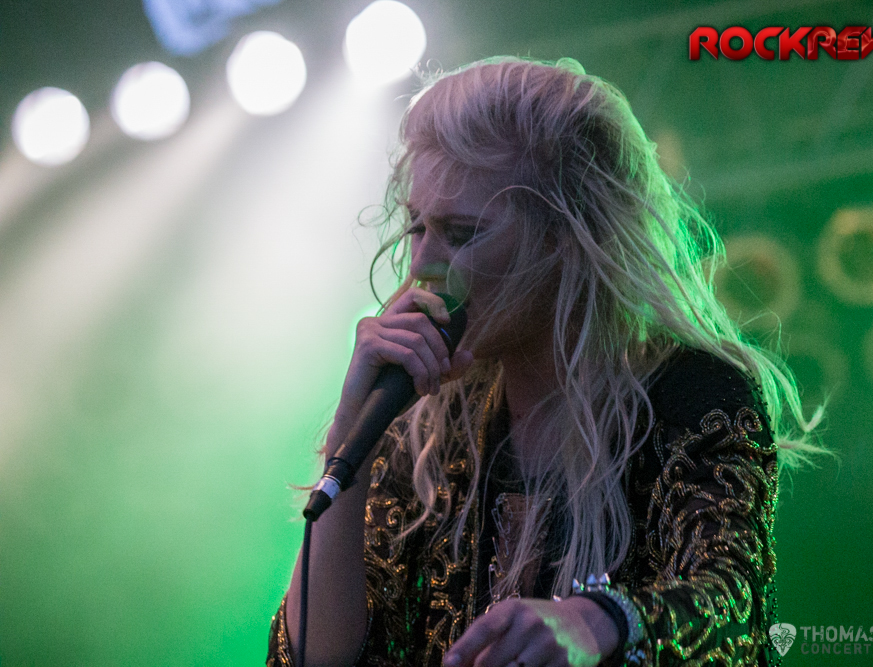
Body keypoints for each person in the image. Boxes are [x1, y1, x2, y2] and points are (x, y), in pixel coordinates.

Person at [267, 57, 825, 667]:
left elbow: (732, 603)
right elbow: (315, 657)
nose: (423, 264)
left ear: (567, 235)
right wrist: (352, 431)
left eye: (462, 233)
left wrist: (605, 621)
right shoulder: (425, 425)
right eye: (416, 228)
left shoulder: (693, 393)